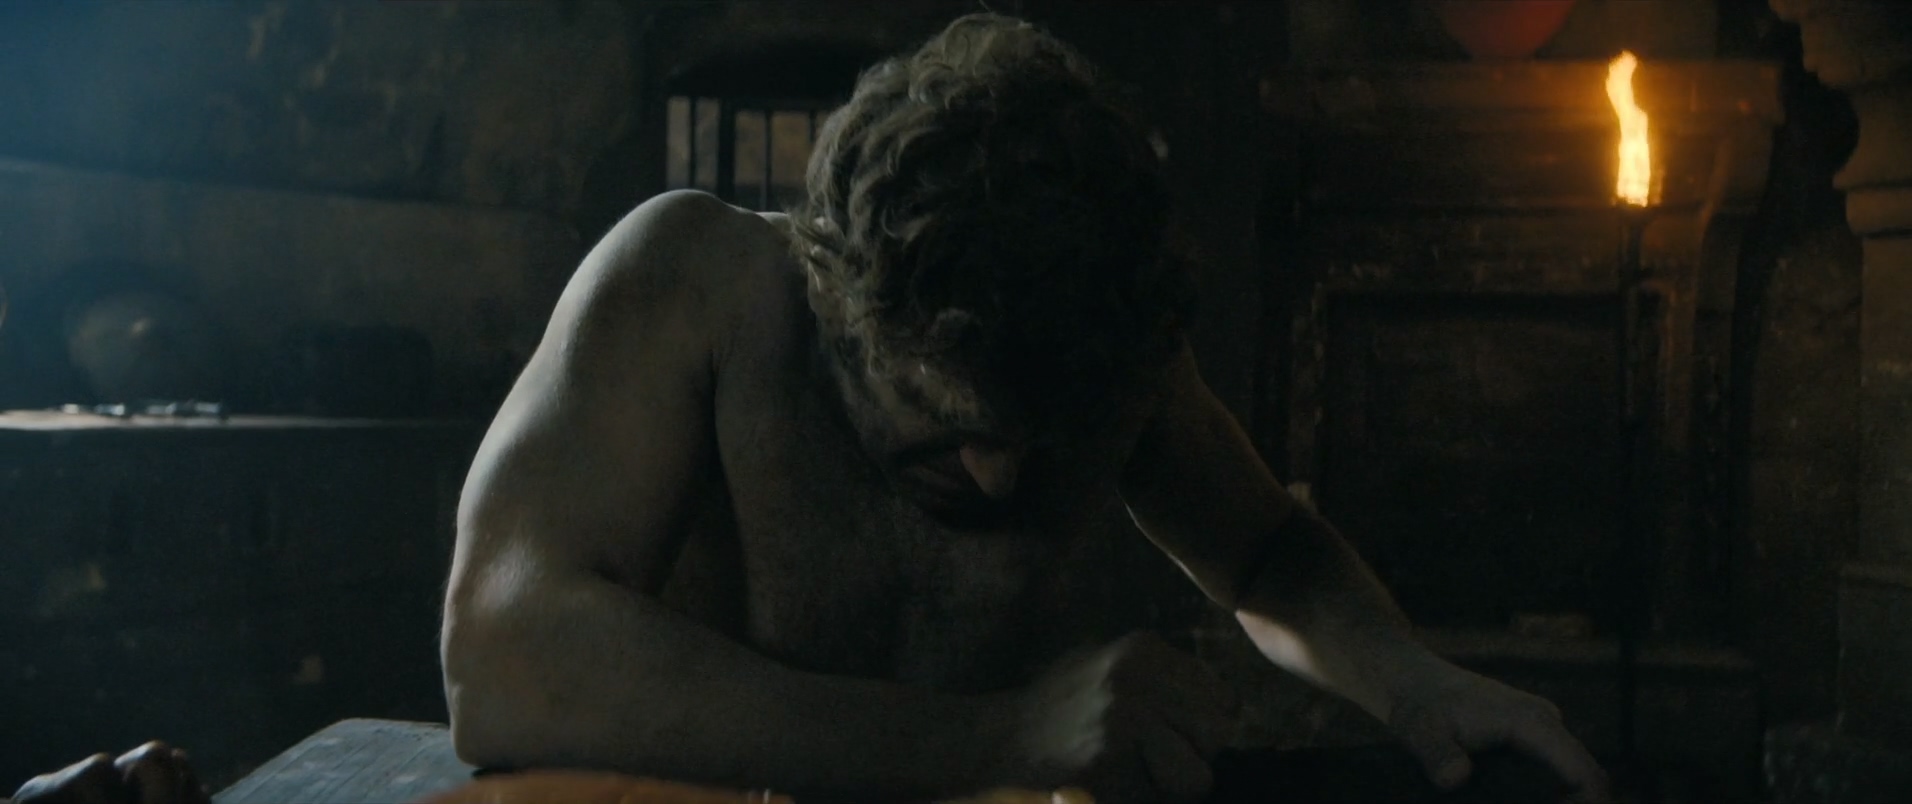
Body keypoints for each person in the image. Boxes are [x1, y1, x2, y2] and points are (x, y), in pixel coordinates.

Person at [15, 13, 1608, 804]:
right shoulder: (696, 280)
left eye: (1043, 441)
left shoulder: (1081, 340)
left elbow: (1266, 551)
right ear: (834, 291)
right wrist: (995, 737)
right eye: (942, 424)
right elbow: (505, 663)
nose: (1001, 475)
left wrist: (1409, 677)